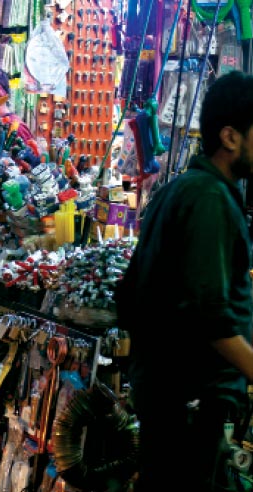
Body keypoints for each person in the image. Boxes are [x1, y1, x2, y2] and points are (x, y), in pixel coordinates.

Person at [116, 70, 253, 491]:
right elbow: (209, 316)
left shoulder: (181, 189)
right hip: (187, 400)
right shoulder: (208, 200)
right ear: (230, 138)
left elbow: (131, 292)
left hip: (168, 396)